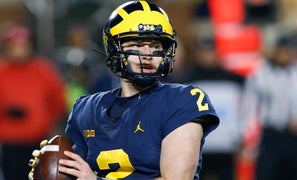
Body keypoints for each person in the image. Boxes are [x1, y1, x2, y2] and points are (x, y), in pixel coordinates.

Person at [55, 1, 220, 180]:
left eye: (156, 46)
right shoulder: (87, 108)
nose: (148, 54)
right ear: (113, 49)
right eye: (137, 45)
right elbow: (79, 173)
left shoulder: (182, 101)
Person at [241, 35, 297, 180]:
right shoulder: (260, 73)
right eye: (282, 51)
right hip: (272, 134)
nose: (285, 55)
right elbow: (250, 105)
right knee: (267, 173)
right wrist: (249, 137)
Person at [0, 24, 67, 180]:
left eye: (23, 45)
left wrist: (51, 125)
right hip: (10, 143)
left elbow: (58, 102)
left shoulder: (43, 70)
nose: (19, 50)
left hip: (39, 141)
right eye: (15, 46)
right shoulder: (2, 72)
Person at [186, 37, 244, 180]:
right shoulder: (187, 80)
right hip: (200, 146)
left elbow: (244, 111)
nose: (207, 56)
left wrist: (241, 137)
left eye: (210, 51)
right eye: (203, 52)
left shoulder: (235, 80)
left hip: (227, 145)